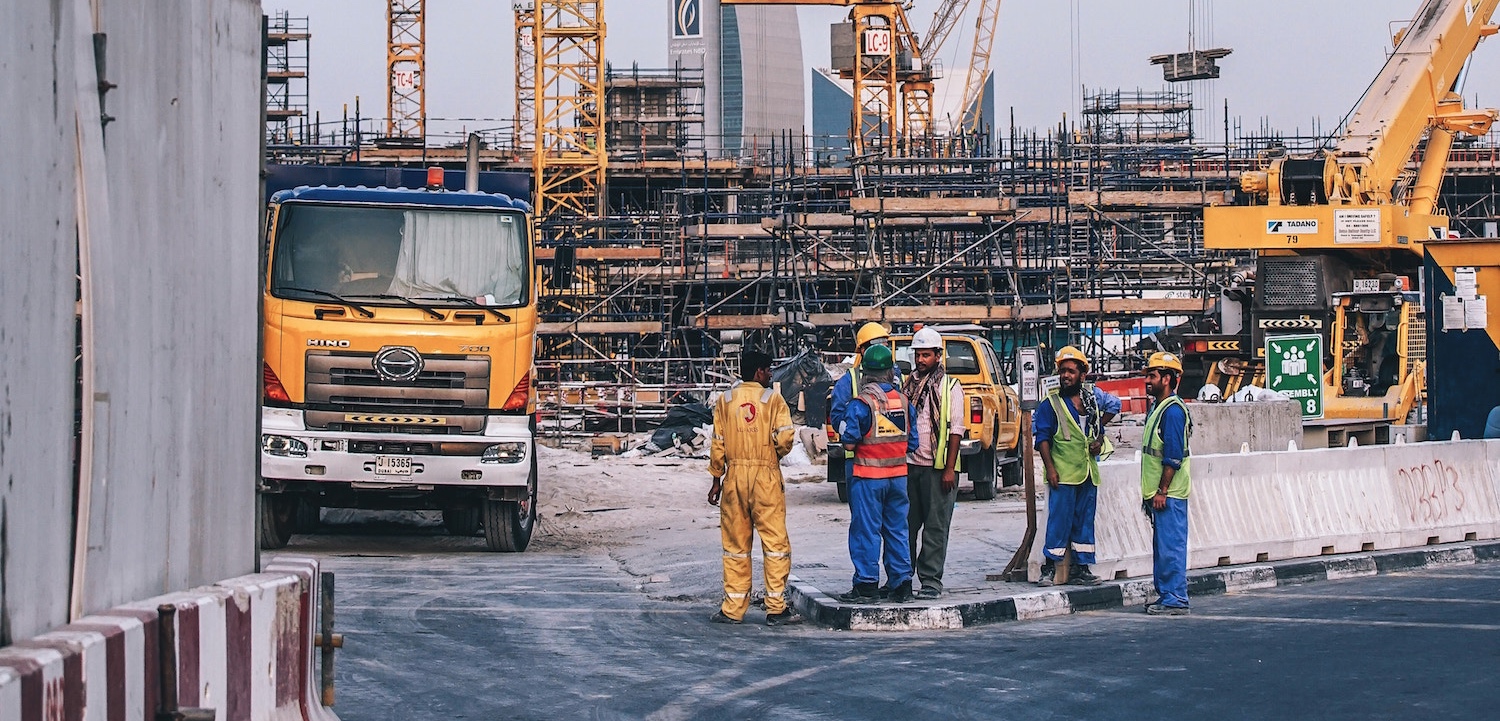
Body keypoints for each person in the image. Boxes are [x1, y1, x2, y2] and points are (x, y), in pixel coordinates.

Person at [707, 351, 802, 626]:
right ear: (759, 372)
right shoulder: (772, 399)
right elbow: (785, 438)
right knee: (775, 545)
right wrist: (772, 456)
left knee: (736, 545)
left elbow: (718, 444)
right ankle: (775, 608)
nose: (771, 374)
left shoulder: (725, 400)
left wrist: (716, 479)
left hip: (734, 478)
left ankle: (733, 609)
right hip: (765, 476)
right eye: (768, 370)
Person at [836, 344, 919, 604]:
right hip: (898, 478)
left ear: (866, 374)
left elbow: (849, 443)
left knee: (866, 531)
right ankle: (901, 584)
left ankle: (866, 585)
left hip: (868, 478)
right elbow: (913, 444)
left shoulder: (861, 404)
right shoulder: (904, 402)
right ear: (889, 373)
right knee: (897, 530)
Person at [1033, 345, 1120, 587]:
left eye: (1071, 371)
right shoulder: (1050, 404)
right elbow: (1042, 440)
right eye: (1063, 371)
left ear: (1082, 375)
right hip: (1063, 473)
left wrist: (1099, 434)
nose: (1065, 376)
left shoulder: (1092, 398)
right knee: (1058, 522)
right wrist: (1050, 469)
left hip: (1088, 473)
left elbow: (1115, 405)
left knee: (1084, 521)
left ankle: (1081, 569)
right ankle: (1048, 568)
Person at [903, 327, 966, 600]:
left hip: (938, 468)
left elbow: (956, 430)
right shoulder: (908, 385)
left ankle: (930, 581)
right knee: (905, 525)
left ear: (938, 356)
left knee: (935, 527)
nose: (921, 360)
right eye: (918, 354)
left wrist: (949, 468)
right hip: (909, 465)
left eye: (926, 355)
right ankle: (902, 578)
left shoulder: (950, 387)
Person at [1142, 351, 1192, 615]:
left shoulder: (1172, 412)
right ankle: (1167, 595)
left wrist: (1162, 490)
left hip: (1169, 494)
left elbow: (1173, 456)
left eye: (1153, 375)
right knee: (1163, 548)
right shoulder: (1159, 409)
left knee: (1171, 547)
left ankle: (1176, 598)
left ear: (1168, 379)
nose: (1148, 380)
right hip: (1160, 494)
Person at [830, 323, 903, 481]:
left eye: (885, 345)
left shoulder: (898, 377)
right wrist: (852, 433)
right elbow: (837, 418)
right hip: (860, 461)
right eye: (877, 345)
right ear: (862, 350)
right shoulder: (848, 381)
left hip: (894, 460)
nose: (883, 350)